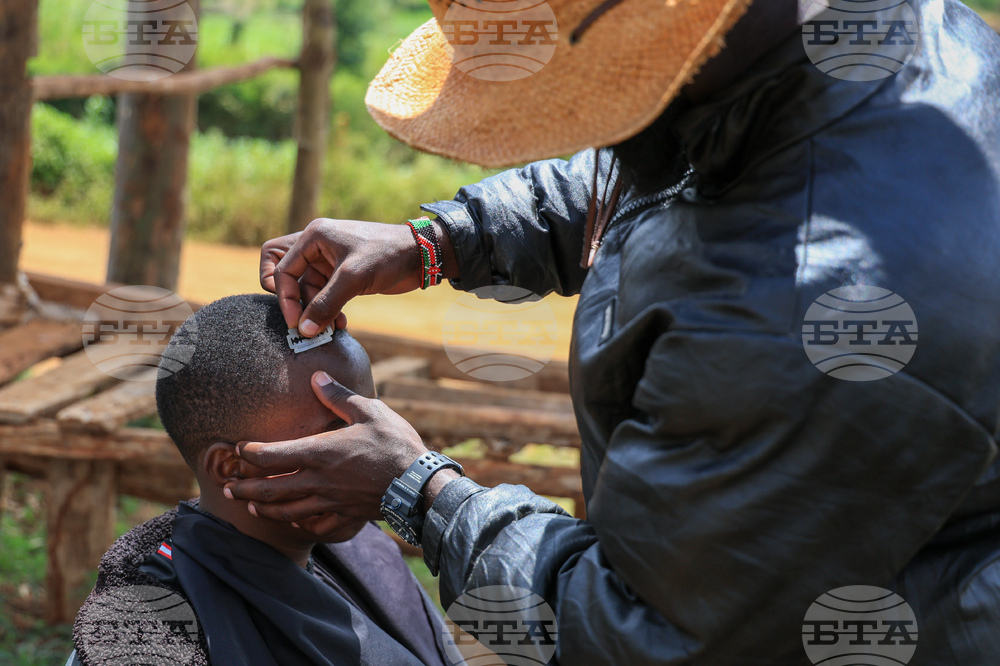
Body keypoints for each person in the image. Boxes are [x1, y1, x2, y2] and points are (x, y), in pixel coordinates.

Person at [224, 0, 1000, 662]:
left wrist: (420, 493)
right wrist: (443, 240)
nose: (590, 122)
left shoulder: (810, 318)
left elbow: (646, 633)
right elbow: (663, 173)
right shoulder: (855, 39)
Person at [71, 294, 449, 666]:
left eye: (372, 418)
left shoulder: (365, 550)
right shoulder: (148, 634)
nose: (376, 451)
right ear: (231, 467)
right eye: (337, 433)